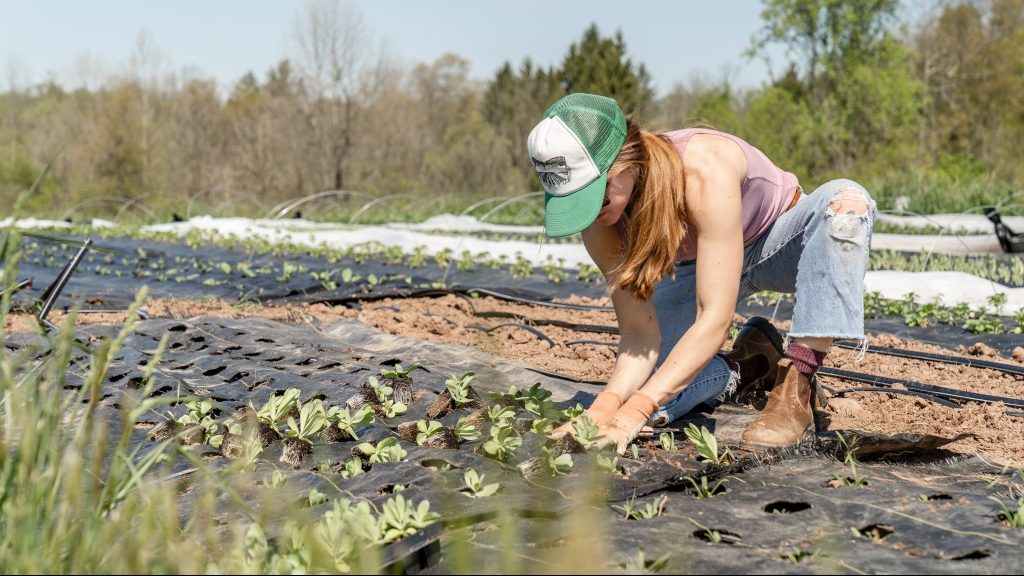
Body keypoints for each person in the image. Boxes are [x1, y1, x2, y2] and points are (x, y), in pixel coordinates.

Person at [527, 93, 876, 454]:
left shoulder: (702, 169)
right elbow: (639, 336)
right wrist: (605, 409)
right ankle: (749, 364)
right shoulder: (599, 222)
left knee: (846, 206)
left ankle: (796, 385)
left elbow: (714, 318)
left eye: (595, 196)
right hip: (700, 266)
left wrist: (635, 412)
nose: (592, 212)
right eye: (575, 201)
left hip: (777, 243)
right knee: (654, 385)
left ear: (626, 159)